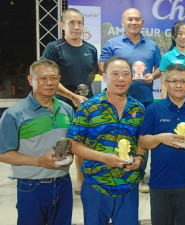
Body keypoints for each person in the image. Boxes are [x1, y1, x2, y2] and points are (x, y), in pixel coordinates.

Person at [68, 57, 146, 225]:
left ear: (132, 77)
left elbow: (142, 141)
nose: (120, 79)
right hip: (96, 184)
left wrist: (139, 158)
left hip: (128, 185)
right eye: (115, 74)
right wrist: (104, 158)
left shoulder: (138, 109)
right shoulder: (89, 107)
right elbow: (74, 144)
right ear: (104, 77)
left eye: (126, 74)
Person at [0, 59, 74, 225]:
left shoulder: (67, 110)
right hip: (32, 188)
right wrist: (38, 161)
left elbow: (71, 144)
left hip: (63, 183)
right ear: (30, 80)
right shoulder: (14, 114)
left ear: (59, 79)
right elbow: (3, 154)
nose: (49, 82)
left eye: (53, 78)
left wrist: (70, 156)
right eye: (43, 78)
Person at [139, 63, 185, 225]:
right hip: (160, 182)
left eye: (183, 81)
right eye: (173, 81)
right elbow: (143, 141)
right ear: (165, 83)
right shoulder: (153, 109)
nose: (179, 85)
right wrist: (160, 138)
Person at [99, 8, 161, 193]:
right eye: (130, 19)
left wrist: (153, 75)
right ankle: (116, 170)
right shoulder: (112, 43)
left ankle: (139, 175)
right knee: (117, 136)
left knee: (143, 138)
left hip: (145, 99)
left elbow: (160, 68)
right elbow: (102, 66)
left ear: (142, 22)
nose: (133, 22)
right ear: (122, 22)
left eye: (137, 19)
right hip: (117, 100)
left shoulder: (151, 45)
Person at [42, 8, 98, 195]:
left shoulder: (91, 49)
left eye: (79, 23)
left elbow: (90, 76)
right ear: (62, 25)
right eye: (71, 23)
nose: (76, 27)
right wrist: (72, 96)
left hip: (84, 105)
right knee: (61, 144)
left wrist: (81, 98)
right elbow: (50, 79)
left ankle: (81, 181)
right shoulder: (54, 48)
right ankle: (54, 181)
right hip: (60, 105)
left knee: (82, 143)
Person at [159, 21, 185, 103]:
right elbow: (164, 85)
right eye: (180, 33)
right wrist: (163, 106)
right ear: (174, 36)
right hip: (173, 99)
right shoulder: (167, 57)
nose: (183, 37)